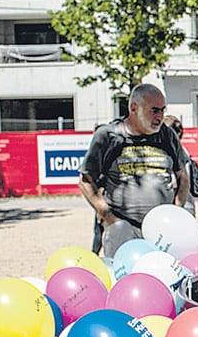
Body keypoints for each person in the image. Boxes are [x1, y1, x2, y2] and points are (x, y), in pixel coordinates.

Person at [78, 84, 190, 258]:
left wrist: (175, 211)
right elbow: (86, 181)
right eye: (154, 111)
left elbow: (183, 177)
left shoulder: (167, 136)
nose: (160, 117)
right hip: (123, 230)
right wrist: (110, 218)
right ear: (133, 108)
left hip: (162, 230)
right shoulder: (109, 135)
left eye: (162, 110)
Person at [163, 115, 196, 217]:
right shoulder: (181, 150)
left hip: (181, 204)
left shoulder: (178, 152)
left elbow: (183, 179)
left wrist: (178, 206)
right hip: (183, 203)